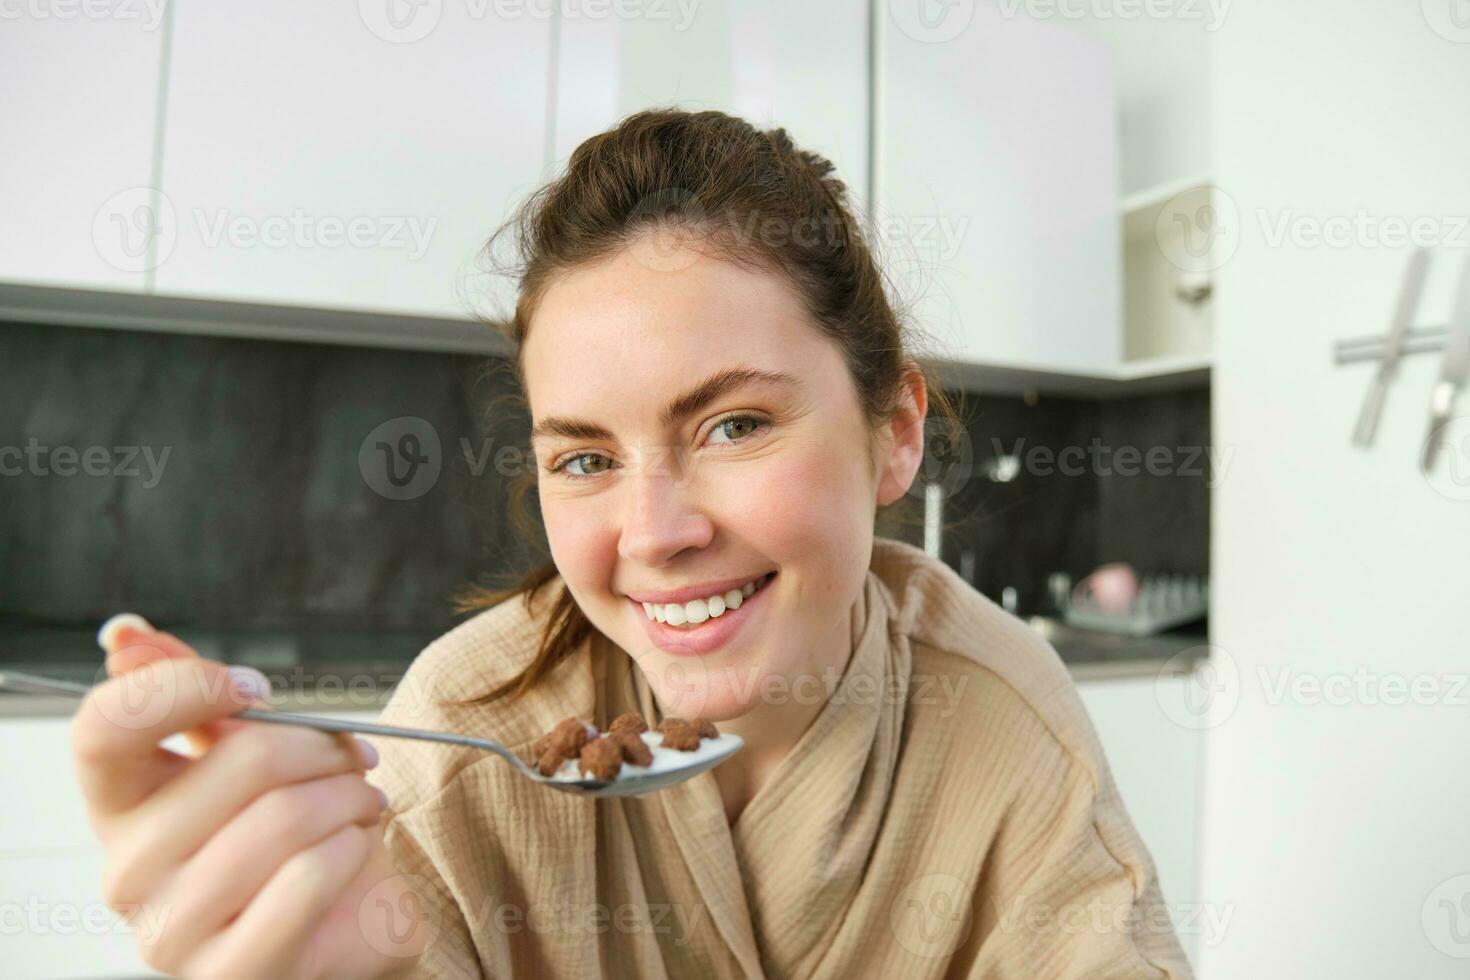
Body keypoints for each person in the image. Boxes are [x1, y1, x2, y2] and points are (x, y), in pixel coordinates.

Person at [72, 108, 1194, 978]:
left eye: (734, 424)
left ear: (893, 433)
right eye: (585, 457)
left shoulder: (1001, 718)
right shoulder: (469, 735)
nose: (655, 533)